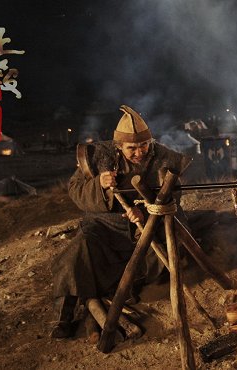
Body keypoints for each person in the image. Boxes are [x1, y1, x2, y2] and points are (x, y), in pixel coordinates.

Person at [50, 105, 190, 338]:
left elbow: (174, 195)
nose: (139, 152)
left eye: (144, 146)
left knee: (168, 247)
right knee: (77, 252)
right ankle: (63, 317)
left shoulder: (164, 158)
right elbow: (75, 191)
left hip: (145, 227)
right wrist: (100, 185)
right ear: (119, 146)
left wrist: (148, 214)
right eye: (132, 148)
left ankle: (123, 288)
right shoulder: (97, 158)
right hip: (104, 226)